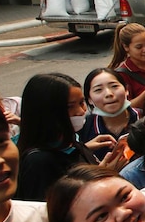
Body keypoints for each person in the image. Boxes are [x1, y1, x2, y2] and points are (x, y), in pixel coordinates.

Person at [15, 73, 127, 202]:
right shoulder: (37, 162)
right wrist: (104, 175)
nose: (81, 111)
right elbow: (53, 211)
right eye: (70, 107)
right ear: (46, 112)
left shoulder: (72, 143)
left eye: (81, 103)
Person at [79, 67, 141, 161]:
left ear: (126, 90)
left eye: (114, 86)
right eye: (98, 90)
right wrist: (84, 149)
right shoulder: (83, 127)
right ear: (89, 99)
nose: (109, 94)